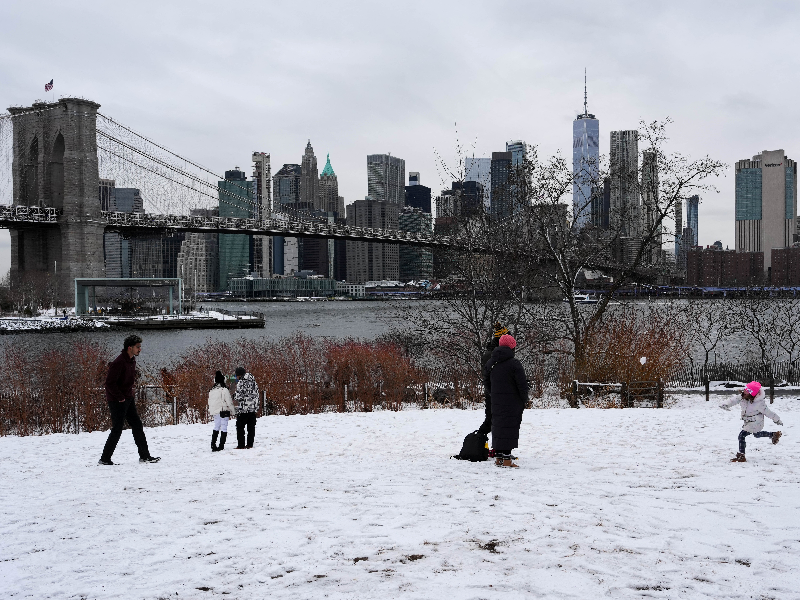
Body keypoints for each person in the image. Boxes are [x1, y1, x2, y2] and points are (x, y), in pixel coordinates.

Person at [99, 335, 160, 465]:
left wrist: (128, 395)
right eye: (138, 347)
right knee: (117, 429)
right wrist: (120, 397)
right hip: (117, 400)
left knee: (137, 425)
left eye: (140, 347)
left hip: (128, 398)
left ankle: (145, 456)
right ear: (129, 348)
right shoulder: (119, 362)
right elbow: (109, 383)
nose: (140, 349)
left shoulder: (131, 361)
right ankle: (105, 459)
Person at [483, 334, 528, 468]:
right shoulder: (514, 364)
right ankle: (507, 459)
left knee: (498, 427)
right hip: (513, 401)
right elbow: (522, 384)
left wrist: (493, 394)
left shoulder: (491, 363)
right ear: (512, 347)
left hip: (496, 400)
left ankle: (499, 457)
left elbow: (486, 381)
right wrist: (524, 399)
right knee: (509, 427)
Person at [720, 380, 783, 463]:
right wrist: (725, 404)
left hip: (756, 422)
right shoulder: (742, 396)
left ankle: (741, 456)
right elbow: (733, 400)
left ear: (752, 394)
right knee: (756, 434)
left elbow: (768, 412)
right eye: (745, 389)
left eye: (747, 391)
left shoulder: (759, 403)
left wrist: (777, 419)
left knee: (741, 436)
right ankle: (773, 434)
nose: (744, 391)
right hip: (748, 421)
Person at [477, 322, 508, 440]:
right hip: (494, 392)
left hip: (493, 391)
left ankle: (480, 441)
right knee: (492, 421)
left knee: (493, 420)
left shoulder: (493, 353)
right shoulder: (494, 355)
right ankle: (478, 440)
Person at [208, 370, 235, 452]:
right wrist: (233, 411)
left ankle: (213, 444)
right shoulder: (224, 390)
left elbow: (210, 402)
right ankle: (221, 445)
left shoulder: (211, 390)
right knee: (224, 428)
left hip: (215, 412)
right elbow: (229, 402)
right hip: (223, 411)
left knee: (216, 427)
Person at [234, 366, 260, 449]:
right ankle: (250, 444)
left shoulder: (241, 382)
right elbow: (257, 394)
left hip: (244, 408)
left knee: (240, 427)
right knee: (251, 428)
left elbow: (239, 396)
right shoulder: (253, 382)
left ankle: (241, 445)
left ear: (239, 375)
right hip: (253, 408)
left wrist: (234, 396)